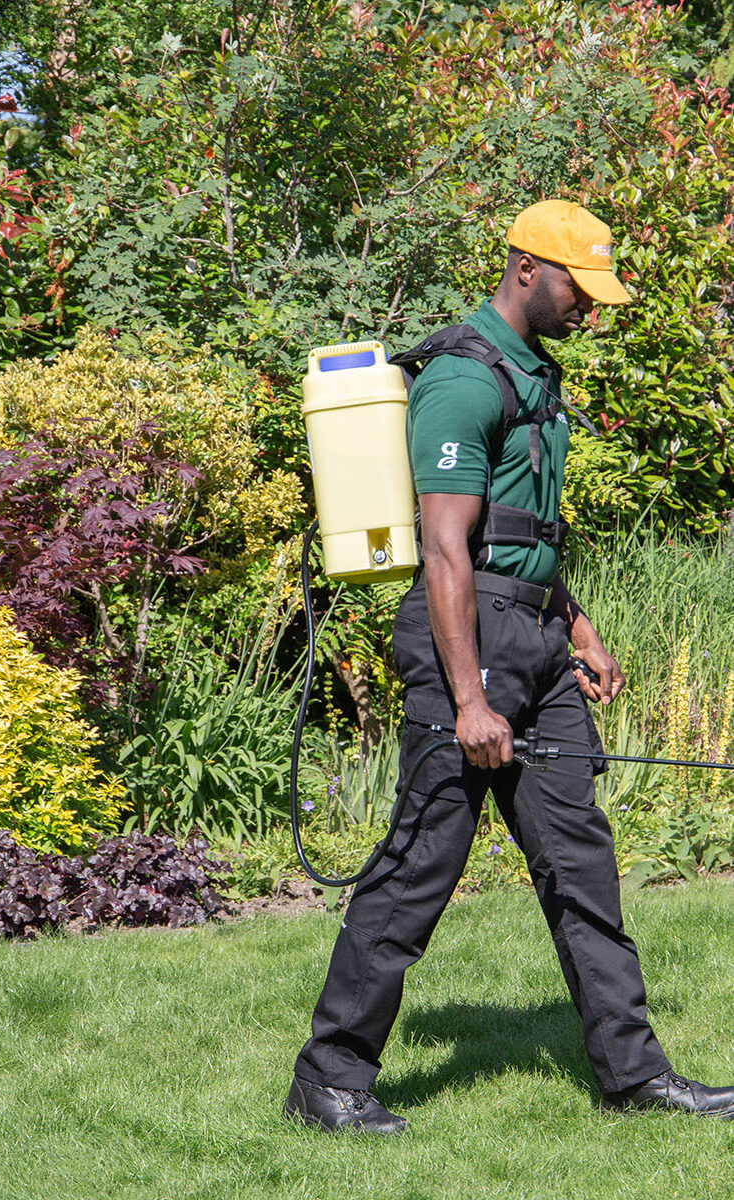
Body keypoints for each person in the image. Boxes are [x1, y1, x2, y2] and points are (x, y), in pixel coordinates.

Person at [283, 198, 734, 1133]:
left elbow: (520, 538)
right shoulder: (462, 379)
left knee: (581, 863)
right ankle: (328, 1080)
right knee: (419, 869)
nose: (591, 309)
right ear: (527, 268)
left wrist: (578, 625)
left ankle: (631, 1075)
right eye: (580, 287)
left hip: (530, 636)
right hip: (467, 644)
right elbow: (448, 552)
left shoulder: (535, 375)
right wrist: (465, 700)